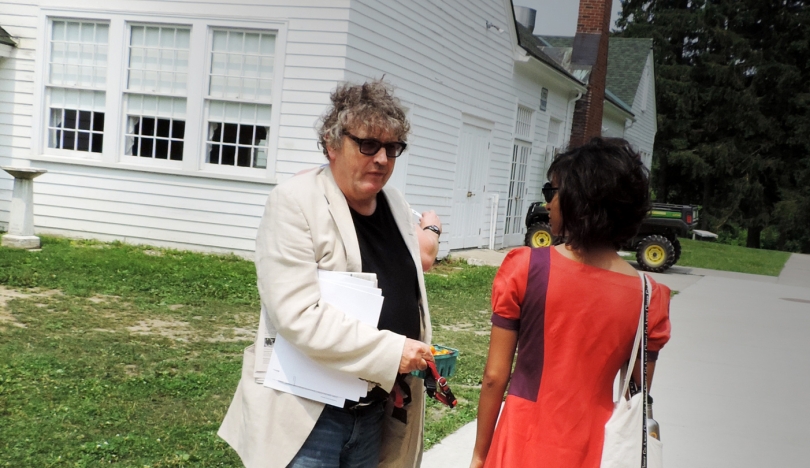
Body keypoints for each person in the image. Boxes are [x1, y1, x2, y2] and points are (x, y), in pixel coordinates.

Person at [219, 79, 442, 468]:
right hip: (308, 418)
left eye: (392, 148)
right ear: (332, 144)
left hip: (374, 411)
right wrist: (394, 351)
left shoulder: (394, 203)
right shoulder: (294, 202)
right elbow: (298, 316)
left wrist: (432, 231)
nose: (382, 159)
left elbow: (418, 259)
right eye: (368, 145)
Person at [470, 138, 672, 468]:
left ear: (580, 199)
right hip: (595, 447)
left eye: (554, 192)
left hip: (522, 439)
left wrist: (480, 454)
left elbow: (495, 376)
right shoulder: (649, 296)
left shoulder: (525, 269)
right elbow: (637, 393)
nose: (548, 204)